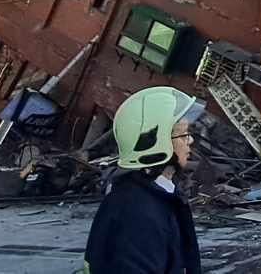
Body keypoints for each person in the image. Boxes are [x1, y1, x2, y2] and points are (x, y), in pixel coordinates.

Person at [85, 87, 205, 274]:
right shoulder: (138, 215)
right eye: (183, 134)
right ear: (157, 145)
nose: (190, 141)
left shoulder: (156, 195)